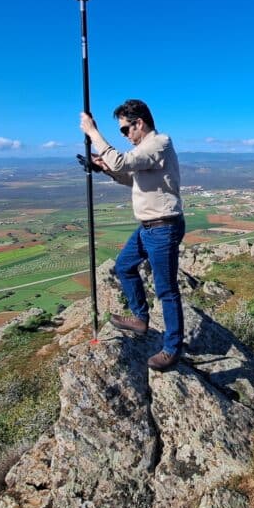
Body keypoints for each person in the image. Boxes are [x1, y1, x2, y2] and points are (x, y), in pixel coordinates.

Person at [79, 99, 186, 371]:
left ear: (139, 123)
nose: (125, 136)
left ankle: (172, 349)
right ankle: (140, 318)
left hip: (163, 228)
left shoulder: (158, 143)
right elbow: (130, 176)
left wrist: (93, 132)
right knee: (124, 266)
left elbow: (123, 161)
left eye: (125, 130)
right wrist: (105, 169)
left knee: (167, 290)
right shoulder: (147, 151)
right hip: (149, 227)